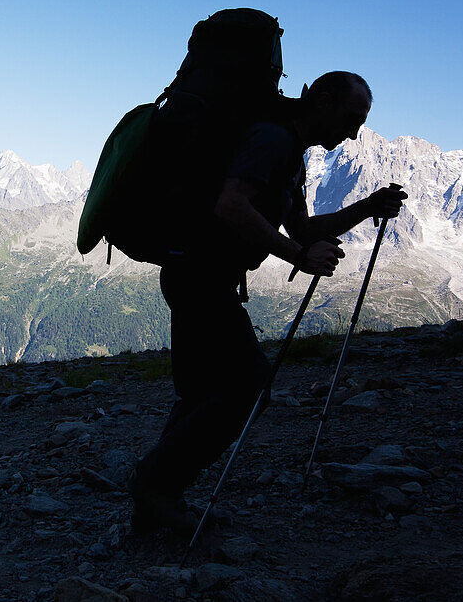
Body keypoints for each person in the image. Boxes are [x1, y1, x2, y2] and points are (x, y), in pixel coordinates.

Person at [128, 71, 407, 534]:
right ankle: (155, 486)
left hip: (197, 272)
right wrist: (298, 256)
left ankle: (155, 497)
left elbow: (303, 227)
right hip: (201, 276)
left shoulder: (291, 155)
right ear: (322, 100)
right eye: (352, 118)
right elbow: (231, 205)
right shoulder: (271, 140)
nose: (355, 133)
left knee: (200, 392)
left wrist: (367, 206)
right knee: (250, 385)